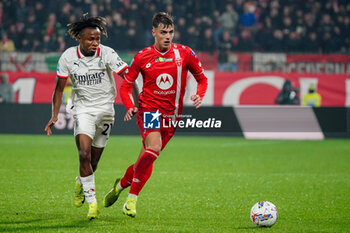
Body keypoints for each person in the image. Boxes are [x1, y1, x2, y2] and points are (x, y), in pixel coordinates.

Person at [103, 12, 208, 217]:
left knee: (148, 158)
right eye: (163, 32)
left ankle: (121, 185)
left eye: (171, 32)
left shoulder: (185, 53)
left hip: (173, 116)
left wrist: (199, 94)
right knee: (154, 148)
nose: (168, 36)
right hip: (149, 110)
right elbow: (126, 85)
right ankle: (131, 200)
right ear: (154, 33)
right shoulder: (143, 56)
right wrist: (130, 105)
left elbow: (202, 79)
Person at [44, 13, 129, 220]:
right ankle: (93, 204)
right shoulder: (68, 57)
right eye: (90, 39)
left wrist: (135, 101)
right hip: (83, 109)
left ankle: (80, 182)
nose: (95, 42)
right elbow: (58, 89)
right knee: (83, 154)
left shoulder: (107, 53)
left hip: (106, 110)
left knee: (93, 161)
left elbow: (128, 76)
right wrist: (54, 115)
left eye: (98, 39)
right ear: (79, 39)